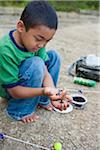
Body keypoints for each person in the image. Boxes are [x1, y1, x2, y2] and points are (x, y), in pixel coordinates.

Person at [0, 0, 71, 123]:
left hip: (30, 76)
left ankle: (43, 100)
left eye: (47, 41)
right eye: (39, 39)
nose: (42, 45)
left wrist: (54, 93)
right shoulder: (5, 50)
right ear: (21, 27)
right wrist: (44, 90)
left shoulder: (37, 45)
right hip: (13, 89)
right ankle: (20, 109)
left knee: (54, 56)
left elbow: (45, 72)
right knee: (36, 63)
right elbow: (14, 91)